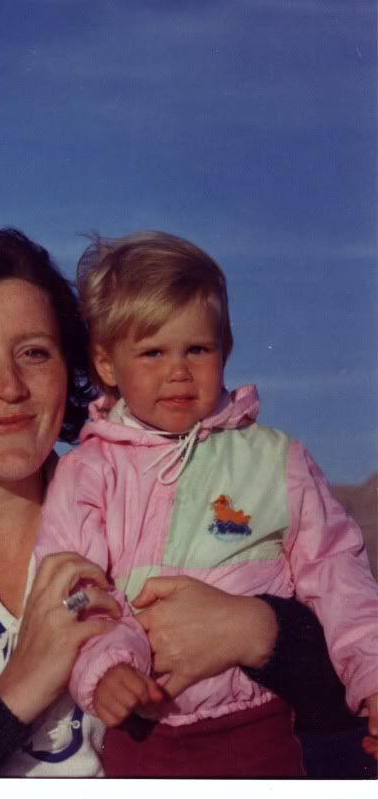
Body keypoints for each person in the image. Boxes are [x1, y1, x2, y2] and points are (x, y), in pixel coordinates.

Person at [0, 227, 351, 777]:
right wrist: (14, 694)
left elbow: (348, 706)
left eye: (34, 353)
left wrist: (262, 631)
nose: (9, 386)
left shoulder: (156, 501)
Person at [35, 230, 378, 777]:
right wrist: (106, 669)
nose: (178, 370)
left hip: (259, 730)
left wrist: (372, 679)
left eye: (197, 348)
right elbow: (73, 591)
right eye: (152, 352)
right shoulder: (87, 472)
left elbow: (340, 576)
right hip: (139, 734)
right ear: (106, 361)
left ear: (225, 349)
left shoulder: (276, 461)